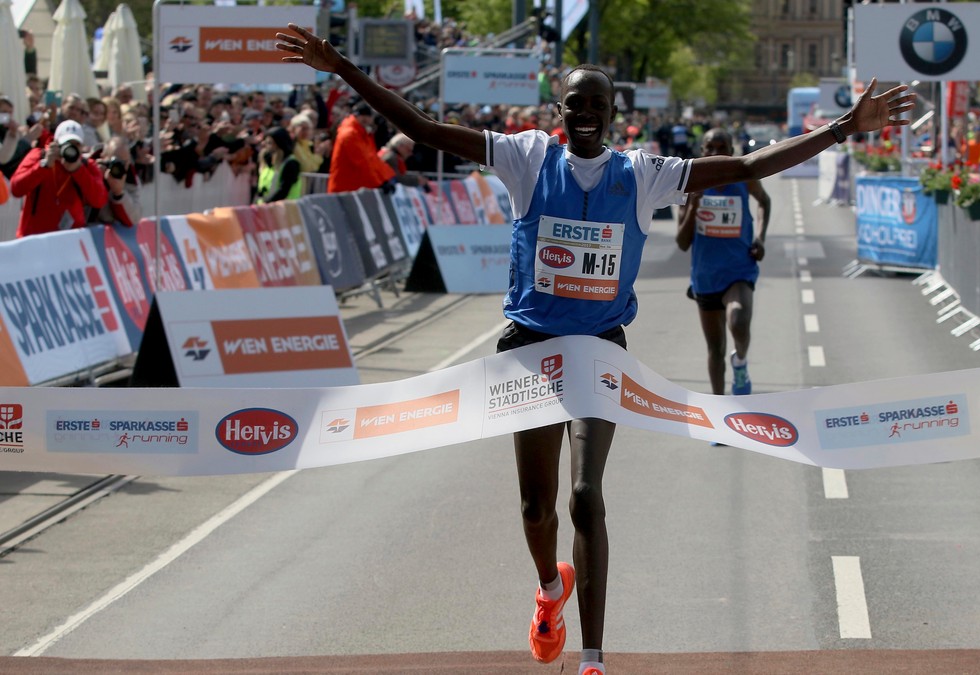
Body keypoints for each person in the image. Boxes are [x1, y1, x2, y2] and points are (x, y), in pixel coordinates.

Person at [277, 24, 913, 675]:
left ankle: (593, 658)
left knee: (585, 494)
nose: (584, 115)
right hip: (528, 348)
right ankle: (550, 590)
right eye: (574, 105)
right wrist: (341, 67)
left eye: (596, 107)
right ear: (560, 111)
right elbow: (426, 128)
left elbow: (748, 167)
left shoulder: (642, 174)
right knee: (535, 504)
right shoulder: (528, 157)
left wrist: (844, 126)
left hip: (600, 351)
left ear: (614, 116)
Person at [676, 128, 770, 400]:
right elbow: (682, 243)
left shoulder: (743, 177)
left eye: (723, 147)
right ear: (702, 151)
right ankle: (719, 412)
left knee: (739, 320)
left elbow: (764, 201)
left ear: (732, 150)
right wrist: (694, 207)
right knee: (715, 349)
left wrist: (760, 238)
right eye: (710, 148)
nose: (716, 153)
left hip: (740, 268)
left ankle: (740, 361)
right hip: (705, 276)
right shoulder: (691, 186)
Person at [9, 120, 108, 237]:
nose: (70, 148)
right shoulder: (38, 156)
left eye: (75, 145)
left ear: (81, 147)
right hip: (35, 239)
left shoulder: (87, 165)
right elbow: (16, 188)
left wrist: (78, 170)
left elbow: (99, 200)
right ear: (55, 143)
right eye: (66, 143)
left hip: (70, 238)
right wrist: (44, 166)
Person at [327, 101, 395, 193]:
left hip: (352, 188)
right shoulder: (350, 134)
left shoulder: (361, 133)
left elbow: (372, 159)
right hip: (345, 189)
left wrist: (385, 178)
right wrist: (379, 183)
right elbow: (363, 162)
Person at [255, 126, 302, 203]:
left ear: (280, 143)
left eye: (270, 143)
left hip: (284, 208)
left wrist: (267, 203)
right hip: (266, 208)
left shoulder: (291, 163)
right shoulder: (269, 162)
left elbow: (284, 190)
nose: (266, 146)